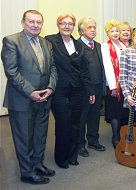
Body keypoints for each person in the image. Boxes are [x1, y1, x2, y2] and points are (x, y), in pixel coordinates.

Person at [1, 10, 57, 184]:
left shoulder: (46, 43)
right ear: (23, 22)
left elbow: (53, 68)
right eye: (31, 21)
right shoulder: (11, 41)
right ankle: (26, 172)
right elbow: (11, 71)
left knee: (40, 134)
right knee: (24, 137)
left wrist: (50, 88)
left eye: (38, 22)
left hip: (44, 97)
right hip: (22, 99)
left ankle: (37, 164)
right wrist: (30, 92)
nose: (35, 25)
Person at [45, 13, 95, 169]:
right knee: (63, 124)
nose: (67, 26)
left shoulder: (79, 44)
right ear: (58, 25)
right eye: (63, 23)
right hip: (59, 90)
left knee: (75, 124)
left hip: (77, 90)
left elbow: (84, 70)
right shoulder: (50, 41)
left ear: (74, 27)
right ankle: (61, 157)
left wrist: (90, 90)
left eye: (70, 24)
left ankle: (72, 155)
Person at [77, 17, 106, 157]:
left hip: (98, 87)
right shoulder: (76, 46)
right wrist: (88, 90)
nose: (93, 30)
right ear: (82, 31)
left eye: (94, 27)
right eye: (89, 27)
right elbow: (79, 72)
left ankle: (93, 140)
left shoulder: (99, 46)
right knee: (82, 117)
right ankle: (80, 144)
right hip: (84, 89)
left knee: (95, 116)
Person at [101, 19, 129, 148]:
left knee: (124, 111)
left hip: (125, 84)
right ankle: (115, 137)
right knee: (115, 112)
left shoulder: (124, 45)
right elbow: (108, 67)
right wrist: (113, 87)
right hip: (114, 86)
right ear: (108, 33)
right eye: (112, 31)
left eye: (117, 30)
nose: (115, 33)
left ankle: (123, 135)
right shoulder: (105, 46)